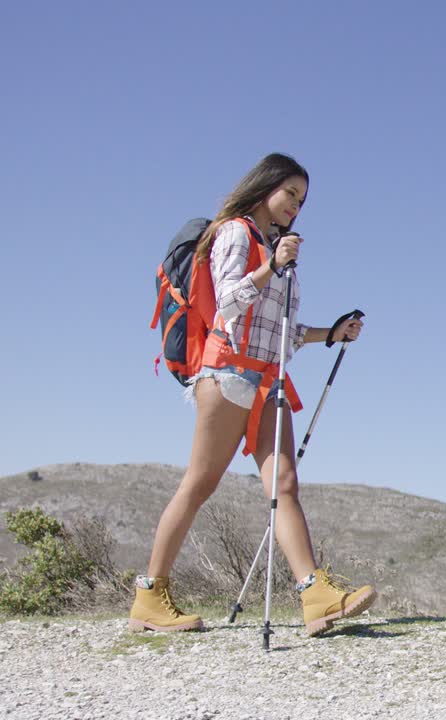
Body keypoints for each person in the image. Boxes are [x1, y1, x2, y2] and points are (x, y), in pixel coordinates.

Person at [130, 153, 376, 636]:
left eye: (302, 201)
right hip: (225, 376)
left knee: (284, 485)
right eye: (291, 195)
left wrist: (332, 333)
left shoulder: (273, 245)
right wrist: (272, 265)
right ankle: (149, 595)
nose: (296, 208)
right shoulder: (237, 233)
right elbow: (227, 301)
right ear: (266, 187)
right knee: (199, 484)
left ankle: (315, 595)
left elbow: (279, 330)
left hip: (268, 379)